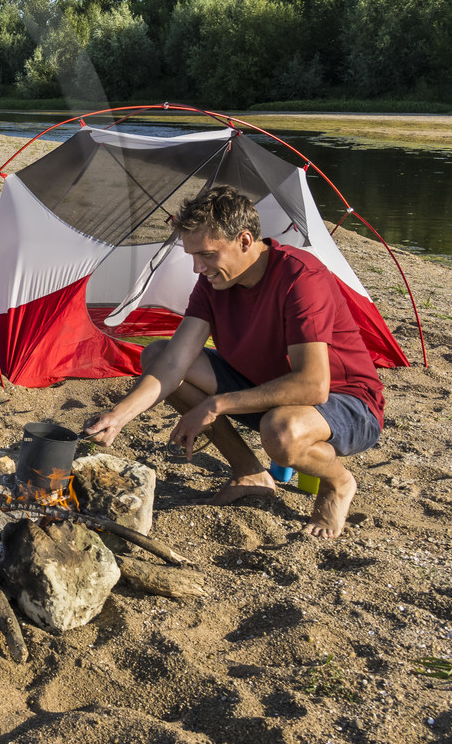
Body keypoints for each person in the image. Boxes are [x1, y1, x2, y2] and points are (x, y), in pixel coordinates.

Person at [83, 185, 384, 539]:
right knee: (157, 353)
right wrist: (119, 416)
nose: (198, 268)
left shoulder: (301, 277)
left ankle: (338, 482)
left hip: (347, 402)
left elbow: (312, 385)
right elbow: (174, 362)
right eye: (192, 256)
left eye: (207, 255)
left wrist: (216, 404)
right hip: (263, 391)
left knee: (281, 430)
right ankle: (250, 472)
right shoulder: (213, 283)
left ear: (244, 240)